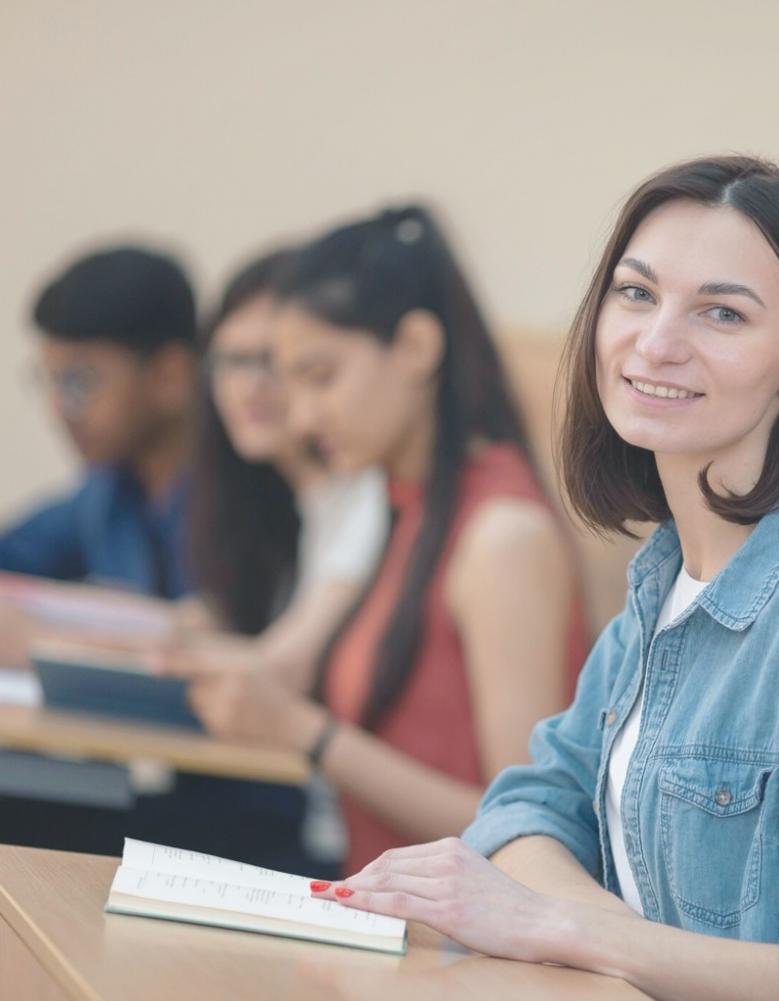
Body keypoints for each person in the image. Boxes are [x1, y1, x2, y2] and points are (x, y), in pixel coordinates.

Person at [310, 158, 779, 1001]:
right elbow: (525, 811)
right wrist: (568, 925)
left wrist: (565, 930)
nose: (656, 342)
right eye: (635, 294)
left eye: (721, 312)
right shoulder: (669, 575)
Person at [163, 205, 587, 877]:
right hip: (374, 914)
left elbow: (523, 834)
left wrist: (308, 734)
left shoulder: (501, 536)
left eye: (321, 377)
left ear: (416, 348)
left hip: (449, 948)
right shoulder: (402, 508)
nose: (300, 417)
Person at [186, 247, 388, 691]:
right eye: (232, 361)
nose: (250, 386)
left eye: (271, 361)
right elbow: (207, 620)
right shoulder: (280, 500)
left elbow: (283, 669)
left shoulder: (369, 494)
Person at [0, 245, 198, 598]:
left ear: (170, 376)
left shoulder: (244, 500)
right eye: (50, 380)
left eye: (79, 382)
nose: (59, 409)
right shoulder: (107, 493)